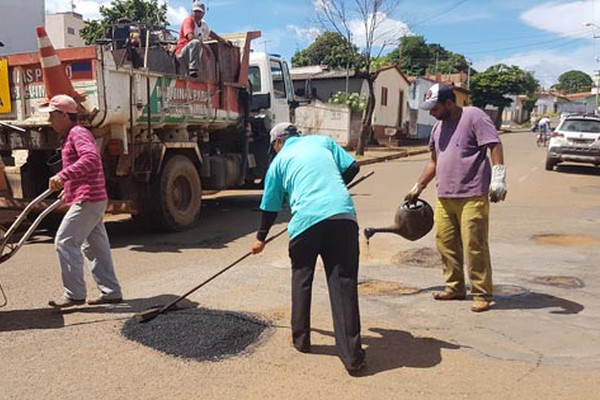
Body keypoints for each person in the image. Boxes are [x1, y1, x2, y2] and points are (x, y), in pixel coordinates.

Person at [250, 122, 366, 375]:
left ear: (277, 142)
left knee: (302, 277)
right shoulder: (322, 142)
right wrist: (335, 187)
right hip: (342, 217)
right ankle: (353, 357)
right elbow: (352, 167)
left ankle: (301, 340)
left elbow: (269, 206)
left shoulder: (278, 162)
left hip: (306, 223)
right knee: (343, 282)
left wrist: (261, 238)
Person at [405, 83, 507, 313]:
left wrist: (498, 176)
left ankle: (482, 293)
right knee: (445, 243)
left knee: (474, 244)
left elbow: (494, 144)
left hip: (473, 194)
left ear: (449, 103)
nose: (431, 113)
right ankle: (455, 286)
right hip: (444, 195)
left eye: (435, 108)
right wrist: (418, 186)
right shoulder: (437, 128)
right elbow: (434, 161)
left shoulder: (474, 116)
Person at [40, 95, 123, 308]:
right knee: (95, 247)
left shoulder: (78, 133)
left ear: (66, 115)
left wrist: (62, 176)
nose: (50, 120)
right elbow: (83, 167)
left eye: (52, 115)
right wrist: (67, 188)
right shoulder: (69, 135)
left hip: (89, 198)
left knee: (65, 241)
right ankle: (111, 291)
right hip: (90, 197)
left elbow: (91, 158)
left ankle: (74, 294)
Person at [175, 1, 230, 78]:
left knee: (200, 47)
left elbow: (211, 34)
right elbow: (190, 37)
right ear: (191, 12)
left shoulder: (203, 25)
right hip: (182, 54)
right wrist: (205, 46)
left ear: (203, 13)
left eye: (199, 12)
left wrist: (223, 41)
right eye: (195, 11)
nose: (197, 14)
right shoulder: (189, 21)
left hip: (191, 56)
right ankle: (193, 70)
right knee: (196, 42)